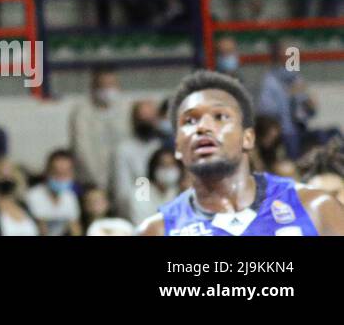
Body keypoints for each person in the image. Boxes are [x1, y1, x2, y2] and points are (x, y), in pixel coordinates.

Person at [139, 70, 344, 236]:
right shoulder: (156, 230)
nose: (203, 127)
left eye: (219, 116)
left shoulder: (316, 207)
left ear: (248, 138)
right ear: (177, 146)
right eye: (190, 121)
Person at [68, 66, 125, 190]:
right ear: (93, 87)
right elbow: (81, 150)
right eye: (102, 85)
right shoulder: (81, 113)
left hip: (122, 178)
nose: (107, 89)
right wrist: (99, 182)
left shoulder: (126, 111)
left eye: (111, 85)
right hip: (91, 181)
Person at [25, 149, 81, 236]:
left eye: (65, 173)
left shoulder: (70, 197)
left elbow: (75, 228)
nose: (61, 177)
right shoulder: (33, 196)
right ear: (47, 171)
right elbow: (42, 231)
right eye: (57, 172)